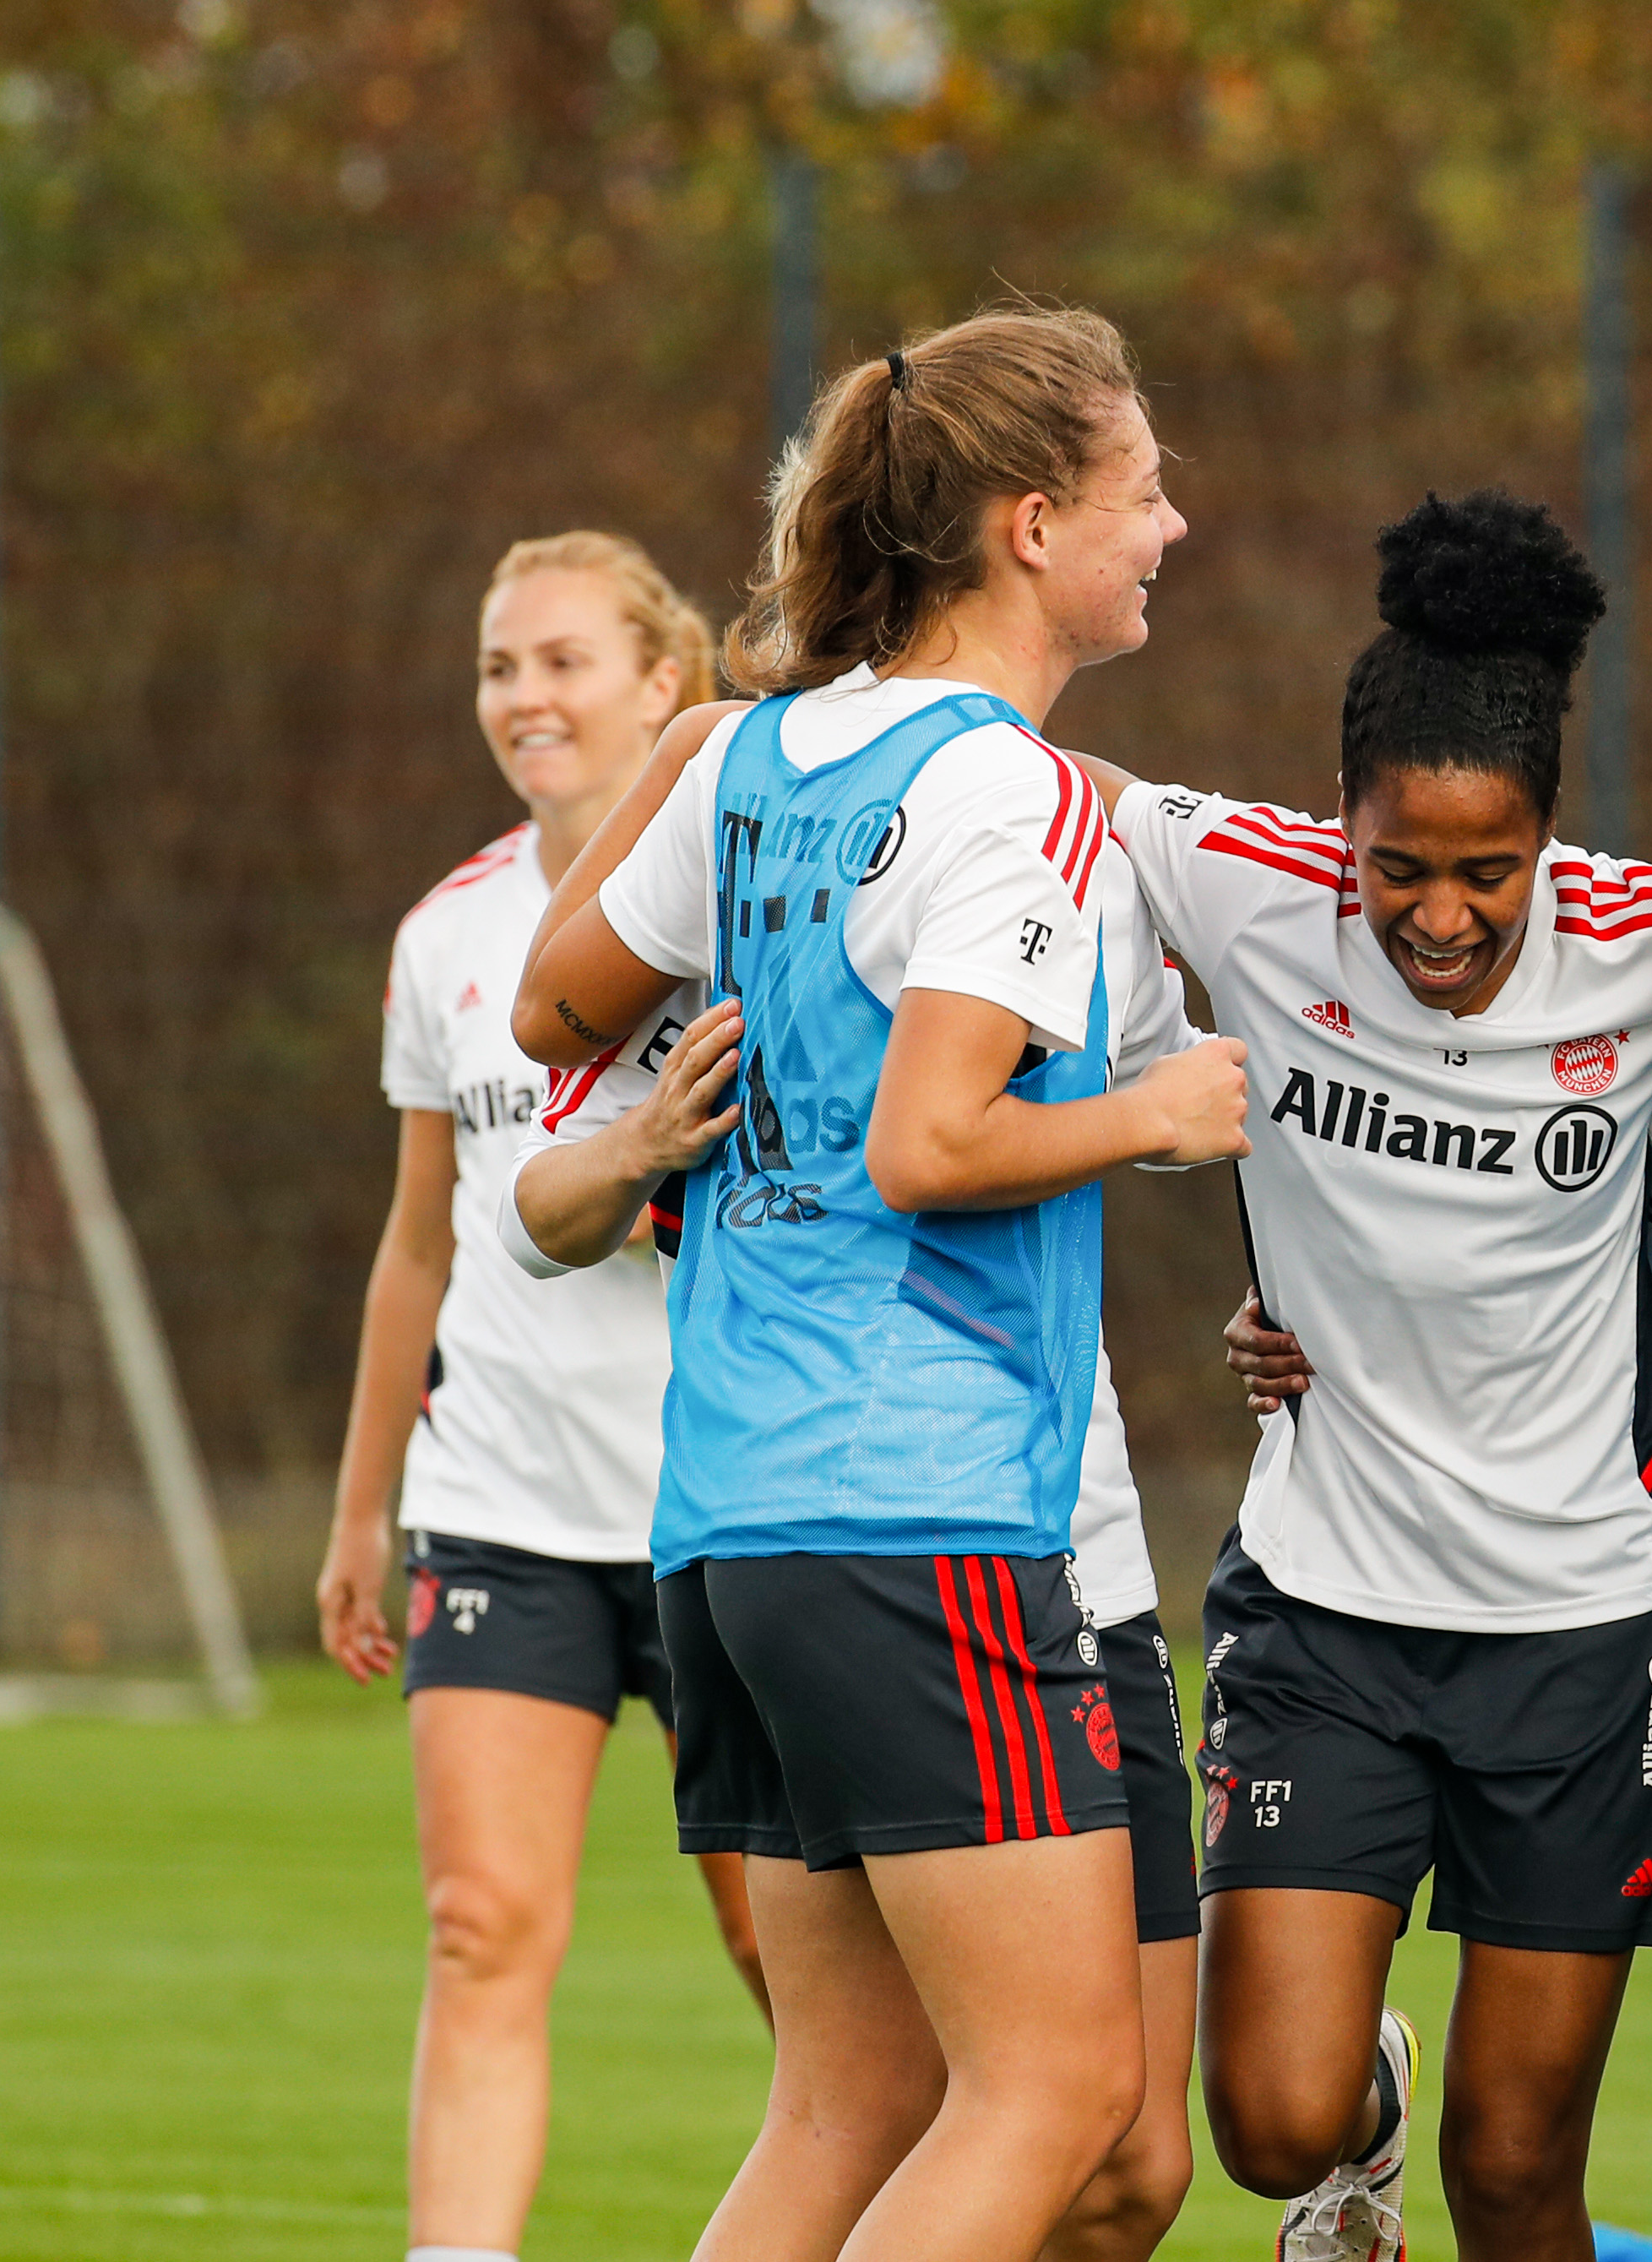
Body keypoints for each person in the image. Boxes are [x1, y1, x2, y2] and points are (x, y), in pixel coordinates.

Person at [508, 306, 1251, 2262]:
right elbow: (934, 1143)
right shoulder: (1010, 788)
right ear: (1029, 525)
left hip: (736, 1516)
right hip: (917, 1510)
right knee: (1060, 2095)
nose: (1174, 523)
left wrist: (694, 763)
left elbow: (553, 998)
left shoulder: (753, 754)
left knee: (854, 2103)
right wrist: (1156, 1113)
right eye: (1143, 488)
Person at [1063, 491, 1652, 2262]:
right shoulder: (1246, 886)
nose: (1441, 915)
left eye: (1486, 869)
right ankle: (1369, 2101)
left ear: (1547, 836)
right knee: (1270, 2128)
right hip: (1327, 1612)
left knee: (1516, 2181)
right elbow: (1053, 788)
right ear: (1337, 829)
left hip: (1586, 1630)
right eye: (1399, 869)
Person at [500, 933, 1210, 2262]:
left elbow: (1217, 1100)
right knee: (988, 2101)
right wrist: (639, 1144)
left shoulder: (1040, 838)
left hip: (1068, 1557)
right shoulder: (685, 906)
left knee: (1117, 2166)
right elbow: (536, 1210)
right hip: (914, 1546)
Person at [309, 530, 760, 2262]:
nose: (525, 697)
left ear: (669, 682)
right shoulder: (449, 934)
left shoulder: (748, 907)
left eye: (565, 660)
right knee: (480, 1923)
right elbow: (417, 1251)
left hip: (721, 1508)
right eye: (501, 665)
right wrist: (366, 1509)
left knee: (779, 1940)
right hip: (498, 1501)